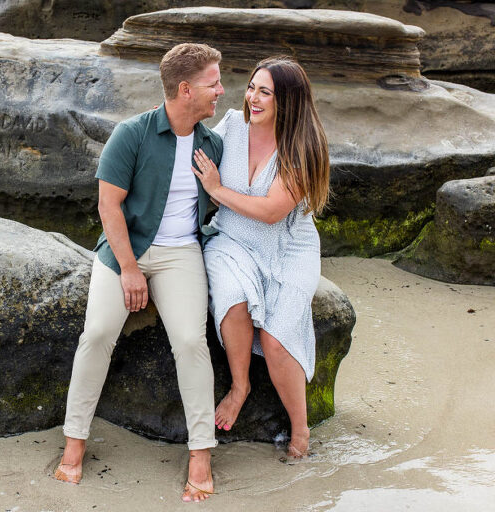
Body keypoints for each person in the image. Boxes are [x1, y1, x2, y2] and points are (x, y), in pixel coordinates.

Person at [54, 43, 225, 502]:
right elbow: (108, 205)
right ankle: (74, 443)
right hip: (124, 251)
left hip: (181, 254)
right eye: (213, 83)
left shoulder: (212, 145)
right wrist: (129, 270)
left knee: (190, 341)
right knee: (97, 333)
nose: (220, 91)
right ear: (185, 90)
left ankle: (201, 453)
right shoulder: (131, 133)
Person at [191, 56, 330, 458]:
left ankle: (300, 429)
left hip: (288, 248)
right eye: (251, 87)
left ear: (287, 101)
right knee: (232, 299)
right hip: (231, 238)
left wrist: (217, 190)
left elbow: (271, 212)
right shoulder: (233, 125)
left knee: (276, 337)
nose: (252, 97)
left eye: (264, 92)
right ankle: (240, 386)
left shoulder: (303, 148)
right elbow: (191, 147)